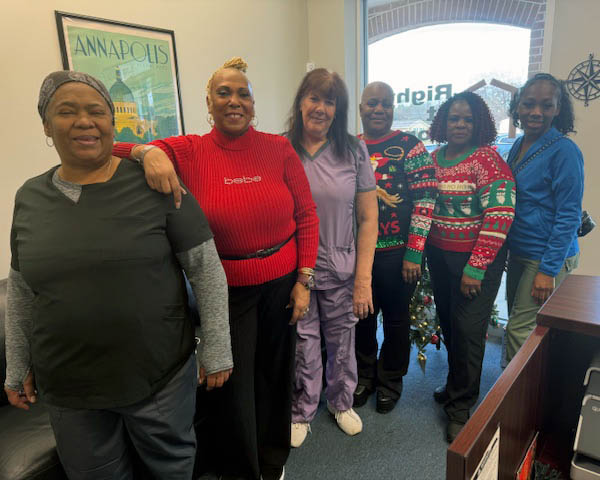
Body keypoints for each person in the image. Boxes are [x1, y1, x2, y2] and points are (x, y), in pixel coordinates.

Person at [4, 71, 233, 480]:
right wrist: (16, 363)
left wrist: (217, 349)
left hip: (158, 376)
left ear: (112, 122)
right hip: (69, 389)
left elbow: (205, 270)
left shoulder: (156, 183)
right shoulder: (29, 197)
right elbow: (22, 290)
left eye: (96, 111)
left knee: (172, 469)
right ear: (45, 125)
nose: (84, 121)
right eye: (66, 111)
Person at [112, 58, 319, 480]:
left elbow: (307, 215)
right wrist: (146, 150)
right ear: (209, 102)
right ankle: (243, 470)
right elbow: (109, 149)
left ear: (253, 102)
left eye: (243, 93)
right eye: (224, 93)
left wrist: (304, 281)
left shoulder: (279, 149)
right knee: (233, 387)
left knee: (276, 376)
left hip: (283, 284)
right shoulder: (188, 150)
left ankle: (272, 459)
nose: (235, 101)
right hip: (226, 291)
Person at [285, 68, 378, 448]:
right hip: (297, 270)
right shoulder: (281, 148)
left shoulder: (354, 150)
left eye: (329, 100)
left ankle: (341, 402)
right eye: (314, 98)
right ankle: (302, 409)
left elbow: (369, 217)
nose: (320, 108)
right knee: (303, 343)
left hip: (343, 267)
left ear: (338, 109)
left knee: (342, 341)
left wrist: (363, 279)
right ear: (300, 102)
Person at [427, 91, 516, 442]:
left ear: (479, 123)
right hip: (440, 255)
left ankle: (462, 406)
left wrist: (476, 267)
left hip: (475, 260)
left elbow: (500, 216)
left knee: (467, 328)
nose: (460, 124)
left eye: (467, 119)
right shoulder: (435, 159)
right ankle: (454, 386)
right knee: (450, 324)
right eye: (454, 118)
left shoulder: (488, 161)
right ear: (443, 123)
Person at [353, 82, 438, 414]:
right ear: (360, 108)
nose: (378, 109)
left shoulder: (410, 147)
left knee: (397, 322)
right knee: (361, 319)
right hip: (359, 256)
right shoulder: (350, 147)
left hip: (399, 255)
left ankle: (390, 380)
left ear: (393, 109)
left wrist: (415, 252)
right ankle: (364, 375)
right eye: (372, 103)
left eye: (385, 104)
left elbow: (426, 200)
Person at [505, 73, 584, 362]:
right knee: (518, 322)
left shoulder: (564, 151)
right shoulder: (518, 145)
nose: (535, 112)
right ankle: (511, 388)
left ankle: (516, 403)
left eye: (545, 105)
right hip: (521, 250)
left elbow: (569, 215)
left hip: (546, 254)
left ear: (557, 109)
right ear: (517, 108)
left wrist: (548, 270)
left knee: (519, 330)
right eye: (528, 104)